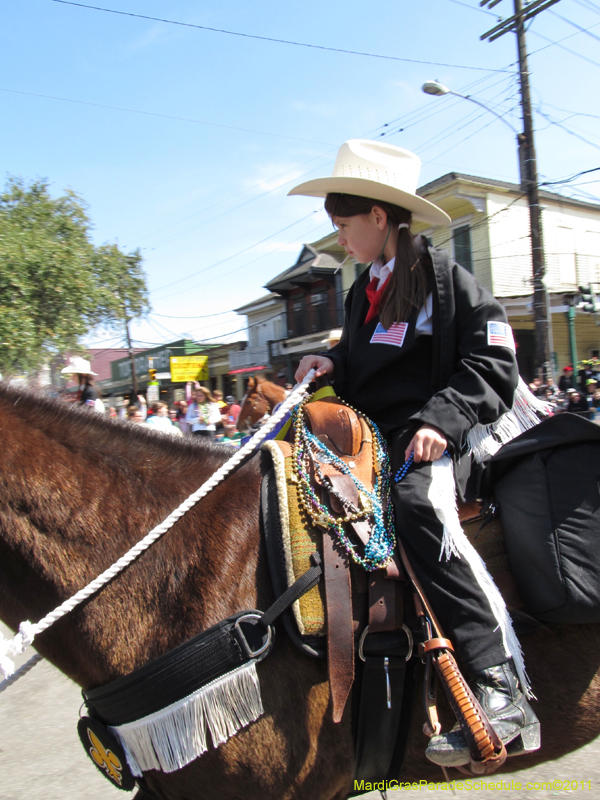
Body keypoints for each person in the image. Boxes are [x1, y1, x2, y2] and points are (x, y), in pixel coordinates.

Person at [291, 139, 539, 767]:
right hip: (373, 440)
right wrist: (331, 363)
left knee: (418, 508)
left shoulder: (449, 282)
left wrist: (439, 420)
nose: (341, 242)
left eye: (345, 226)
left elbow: (494, 363)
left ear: (379, 217)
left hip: (438, 439)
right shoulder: (360, 292)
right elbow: (365, 367)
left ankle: (502, 687)